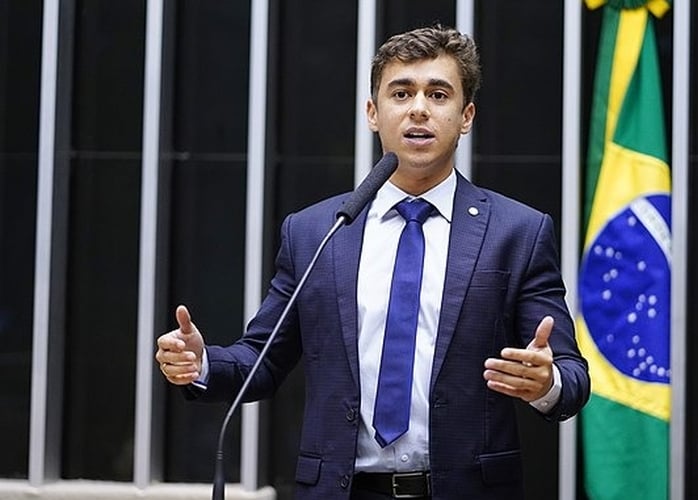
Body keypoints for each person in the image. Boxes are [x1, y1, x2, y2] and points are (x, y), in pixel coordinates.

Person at [156, 24, 590, 500]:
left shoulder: (518, 232)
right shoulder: (316, 231)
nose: (419, 108)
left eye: (438, 94)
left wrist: (545, 382)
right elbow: (260, 359)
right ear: (373, 112)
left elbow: (571, 376)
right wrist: (200, 364)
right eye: (401, 93)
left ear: (466, 116)